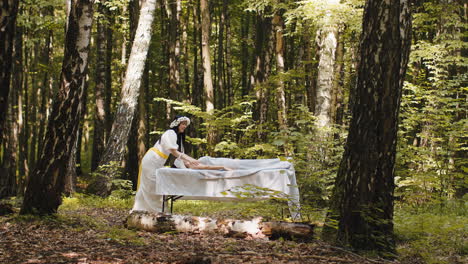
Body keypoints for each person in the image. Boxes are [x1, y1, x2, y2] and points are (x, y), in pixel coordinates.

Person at [132, 115, 200, 213]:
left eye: (186, 124)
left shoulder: (175, 135)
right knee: (153, 186)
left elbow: (179, 154)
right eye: (183, 124)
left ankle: (148, 211)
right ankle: (155, 212)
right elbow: (173, 151)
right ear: (177, 124)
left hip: (157, 162)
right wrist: (190, 159)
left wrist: (189, 162)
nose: (184, 126)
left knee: (153, 186)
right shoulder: (170, 133)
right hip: (152, 160)